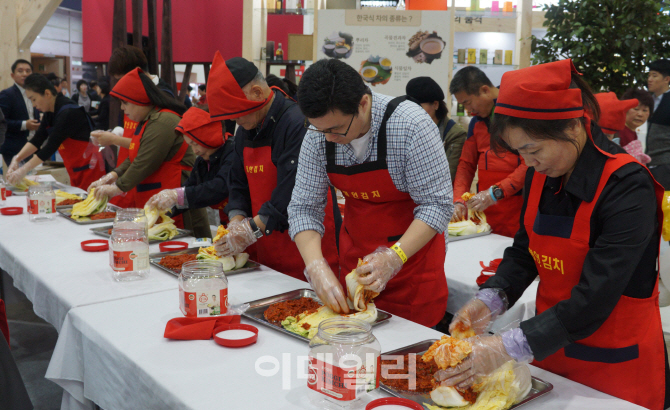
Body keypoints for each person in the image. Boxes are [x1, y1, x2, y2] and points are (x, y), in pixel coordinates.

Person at [440, 60, 668, 410]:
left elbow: (596, 295)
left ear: (574, 126)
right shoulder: (542, 174)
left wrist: (505, 347)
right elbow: (523, 252)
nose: (528, 163)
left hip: (614, 365)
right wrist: (490, 300)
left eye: (533, 149)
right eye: (520, 153)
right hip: (549, 351)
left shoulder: (626, 186)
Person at [288, 59, 453, 327]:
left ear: (363, 104)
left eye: (335, 129)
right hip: (357, 264)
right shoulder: (318, 135)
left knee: (404, 361)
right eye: (320, 129)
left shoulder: (410, 125)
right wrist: (316, 266)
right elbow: (304, 207)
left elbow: (437, 205)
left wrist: (393, 257)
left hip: (412, 266)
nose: (328, 138)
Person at [207, 52, 339, 281]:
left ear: (257, 93)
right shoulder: (246, 129)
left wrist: (251, 230)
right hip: (267, 246)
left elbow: (291, 192)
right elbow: (237, 183)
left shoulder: (297, 123)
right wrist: (237, 220)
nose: (237, 124)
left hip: (308, 250)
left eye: (238, 116)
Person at [88, 68, 208, 234]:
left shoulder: (163, 120)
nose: (123, 108)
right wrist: (111, 176)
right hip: (158, 197)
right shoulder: (147, 121)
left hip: (178, 202)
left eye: (125, 103)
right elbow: (135, 155)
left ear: (139, 99)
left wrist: (116, 188)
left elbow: (145, 162)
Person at [91, 45, 176, 208]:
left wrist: (114, 139)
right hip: (133, 173)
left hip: (157, 181)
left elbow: (146, 152)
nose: (123, 108)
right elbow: (136, 150)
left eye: (123, 79)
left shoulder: (162, 108)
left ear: (137, 74)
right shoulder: (136, 103)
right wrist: (112, 175)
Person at [449, 66, 527, 238]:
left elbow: (530, 163)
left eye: (467, 103)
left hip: (519, 211)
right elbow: (466, 165)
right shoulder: (475, 123)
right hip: (485, 213)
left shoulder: (517, 113)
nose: (468, 110)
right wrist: (458, 200)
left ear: (485, 90)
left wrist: (495, 192)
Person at [146, 107, 236, 236]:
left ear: (209, 136)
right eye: (190, 145)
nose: (195, 151)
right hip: (226, 221)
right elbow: (190, 188)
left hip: (245, 221)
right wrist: (160, 212)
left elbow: (219, 187)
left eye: (196, 144)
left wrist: (176, 195)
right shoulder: (202, 161)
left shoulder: (233, 152)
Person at [6, 74, 104, 190]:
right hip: (75, 168)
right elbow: (37, 140)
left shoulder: (68, 112)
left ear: (47, 94)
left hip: (90, 169)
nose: (34, 105)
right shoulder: (50, 112)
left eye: (34, 99)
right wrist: (17, 158)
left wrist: (23, 170)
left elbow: (49, 147)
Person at [406, 76, 466, 180]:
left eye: (419, 107)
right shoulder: (407, 130)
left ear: (435, 105)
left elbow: (448, 176)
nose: (414, 112)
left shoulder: (455, 134)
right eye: (411, 107)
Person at [0, 59, 40, 168]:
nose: (25, 74)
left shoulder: (35, 93)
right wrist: (24, 124)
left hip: (33, 145)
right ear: (12, 75)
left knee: (33, 179)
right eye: (20, 71)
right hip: (14, 148)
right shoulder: (7, 95)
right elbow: (2, 122)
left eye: (28, 71)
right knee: (19, 181)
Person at [646, 59, 670, 188]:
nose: (650, 79)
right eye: (649, 75)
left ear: (667, 79)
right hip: (647, 163)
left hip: (665, 165)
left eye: (654, 75)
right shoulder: (647, 101)